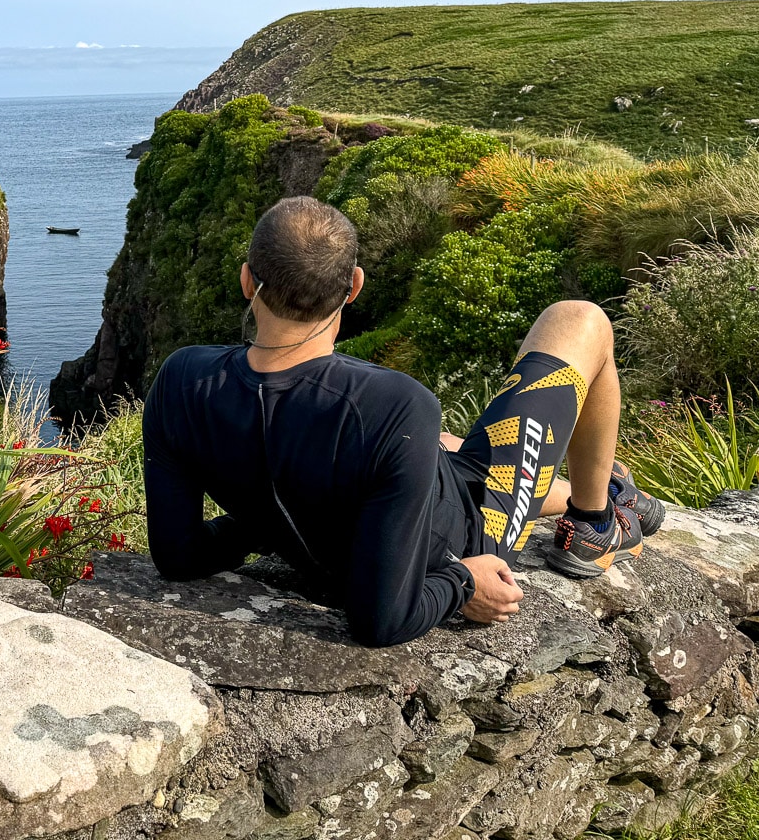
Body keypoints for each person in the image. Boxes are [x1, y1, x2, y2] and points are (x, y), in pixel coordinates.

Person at [141, 195, 666, 648]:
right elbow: (381, 620)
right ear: (354, 287)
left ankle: (607, 486)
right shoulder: (391, 402)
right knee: (580, 319)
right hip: (471, 528)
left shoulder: (182, 380)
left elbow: (180, 556)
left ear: (246, 279)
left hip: (398, 487)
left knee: (438, 444)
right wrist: (461, 582)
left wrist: (267, 521)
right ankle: (594, 522)